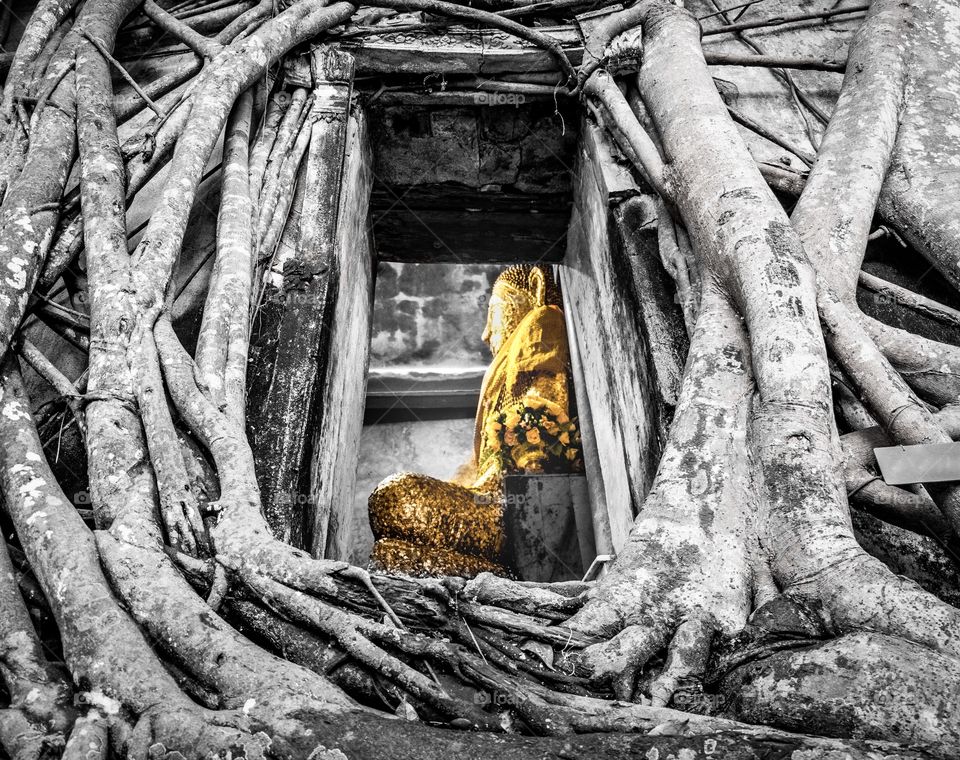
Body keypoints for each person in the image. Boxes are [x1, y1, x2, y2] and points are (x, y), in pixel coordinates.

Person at [368, 264, 581, 577]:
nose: (485, 334)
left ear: (535, 288)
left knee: (396, 495)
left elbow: (545, 414)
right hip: (485, 496)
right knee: (390, 554)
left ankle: (503, 576)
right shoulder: (504, 368)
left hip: (505, 506)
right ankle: (497, 577)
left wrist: (524, 448)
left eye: (493, 313)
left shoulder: (542, 324)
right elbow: (477, 467)